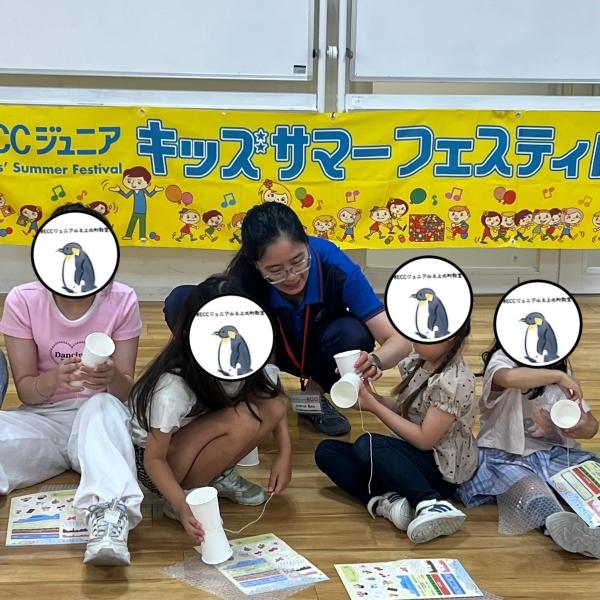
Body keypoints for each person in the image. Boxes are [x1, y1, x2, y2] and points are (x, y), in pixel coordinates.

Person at [164, 203, 412, 436]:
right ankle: (233, 394)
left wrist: (375, 360)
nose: (291, 276)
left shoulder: (334, 265)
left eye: (298, 261)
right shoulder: (243, 277)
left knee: (352, 332)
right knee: (182, 301)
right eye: (275, 270)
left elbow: (399, 339)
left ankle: (311, 398)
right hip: (267, 350)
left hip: (319, 351)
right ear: (257, 265)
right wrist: (265, 394)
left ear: (307, 243)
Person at [0, 203, 143, 566]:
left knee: (101, 407)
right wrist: (52, 380)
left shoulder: (122, 299)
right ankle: (97, 471)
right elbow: (28, 391)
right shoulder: (23, 300)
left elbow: (126, 392)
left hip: (101, 416)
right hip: (44, 418)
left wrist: (112, 378)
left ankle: (109, 519)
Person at [129, 275, 291, 542]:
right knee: (243, 420)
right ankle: (182, 494)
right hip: (154, 462)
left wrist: (284, 454)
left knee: (273, 405)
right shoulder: (172, 388)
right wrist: (181, 505)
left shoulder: (248, 356)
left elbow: (275, 398)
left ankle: (214, 476)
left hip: (188, 438)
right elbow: (153, 459)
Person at [315, 322, 476, 544]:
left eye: (420, 337)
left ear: (448, 338)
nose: (413, 341)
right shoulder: (422, 362)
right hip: (410, 455)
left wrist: (373, 406)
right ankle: (389, 502)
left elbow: (424, 440)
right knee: (326, 451)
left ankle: (431, 501)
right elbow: (404, 410)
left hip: (439, 470)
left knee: (367, 444)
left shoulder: (453, 380)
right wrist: (368, 396)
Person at [458, 340, 600, 558]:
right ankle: (560, 529)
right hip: (505, 457)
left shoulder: (559, 366)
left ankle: (593, 531)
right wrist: (557, 376)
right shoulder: (503, 359)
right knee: (533, 493)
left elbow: (591, 426)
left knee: (591, 482)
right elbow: (507, 378)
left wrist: (582, 426)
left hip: (554, 455)